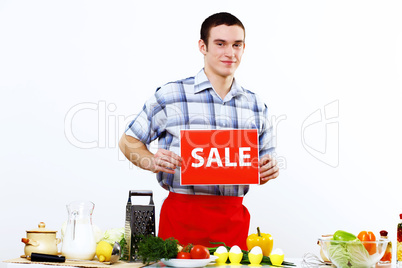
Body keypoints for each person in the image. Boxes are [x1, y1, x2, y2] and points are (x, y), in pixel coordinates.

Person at [119, 12, 279, 250]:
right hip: (181, 219)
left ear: (244, 48)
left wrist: (269, 169)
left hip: (232, 221)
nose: (230, 53)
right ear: (202, 46)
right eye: (220, 43)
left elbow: (261, 166)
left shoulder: (256, 105)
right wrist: (151, 160)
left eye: (237, 45)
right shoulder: (171, 95)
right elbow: (128, 141)